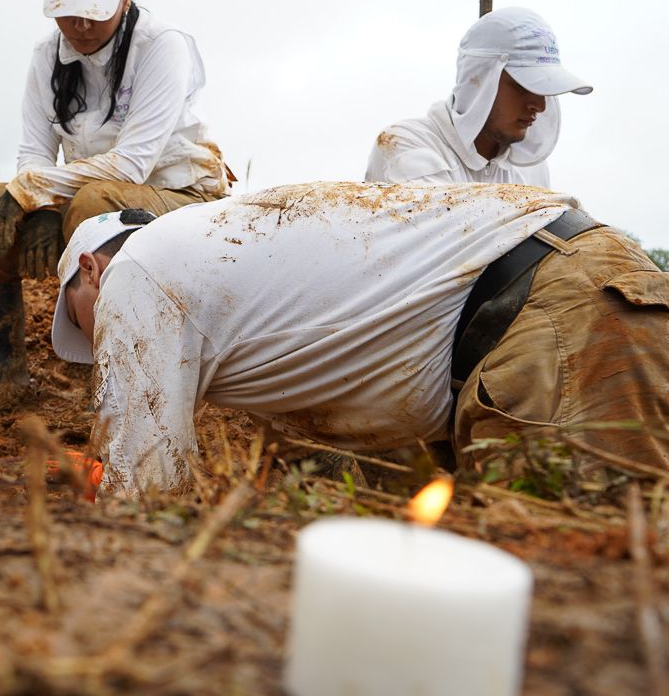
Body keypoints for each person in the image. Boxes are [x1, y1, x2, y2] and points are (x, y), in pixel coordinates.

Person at [53, 187, 669, 497]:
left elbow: (143, 489)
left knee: (584, 567)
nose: (97, 344)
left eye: (82, 325)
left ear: (90, 270)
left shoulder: (138, 273)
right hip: (570, 283)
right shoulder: (213, 251)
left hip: (556, 313)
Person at [0, 0, 231, 423]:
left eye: (95, 7)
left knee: (93, 210)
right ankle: (7, 375)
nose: (80, 23)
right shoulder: (46, 57)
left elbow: (132, 164)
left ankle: (112, 381)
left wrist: (36, 191)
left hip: (181, 195)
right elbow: (34, 152)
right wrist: (36, 207)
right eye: (67, 7)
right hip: (92, 191)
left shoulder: (162, 46)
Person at [365, 7, 592, 187]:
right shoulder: (406, 145)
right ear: (480, 80)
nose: (539, 106)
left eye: (543, 90)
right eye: (523, 86)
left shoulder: (531, 171)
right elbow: (448, 239)